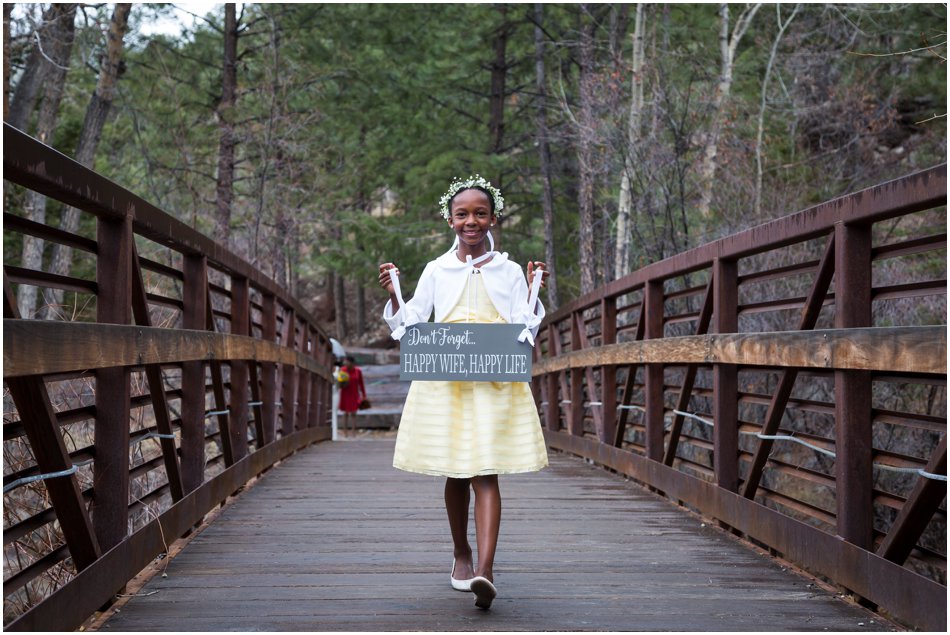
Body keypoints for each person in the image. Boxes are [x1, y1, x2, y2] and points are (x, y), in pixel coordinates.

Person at [378, 174, 549, 610]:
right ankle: (461, 553)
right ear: (450, 219)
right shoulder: (438, 269)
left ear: (493, 218)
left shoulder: (509, 271)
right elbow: (412, 322)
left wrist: (532, 292)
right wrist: (396, 295)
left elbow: (523, 327)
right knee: (455, 471)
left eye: (479, 213)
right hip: (447, 379)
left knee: (484, 470)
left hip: (491, 381)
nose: (471, 221)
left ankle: (485, 571)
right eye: (462, 214)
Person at [337, 355, 366, 438]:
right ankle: (345, 433)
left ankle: (354, 432)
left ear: (352, 363)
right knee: (345, 413)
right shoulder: (343, 370)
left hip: (354, 393)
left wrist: (364, 395)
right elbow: (339, 383)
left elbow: (361, 383)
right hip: (345, 393)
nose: (345, 363)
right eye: (345, 362)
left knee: (354, 413)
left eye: (347, 362)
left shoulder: (358, 371)